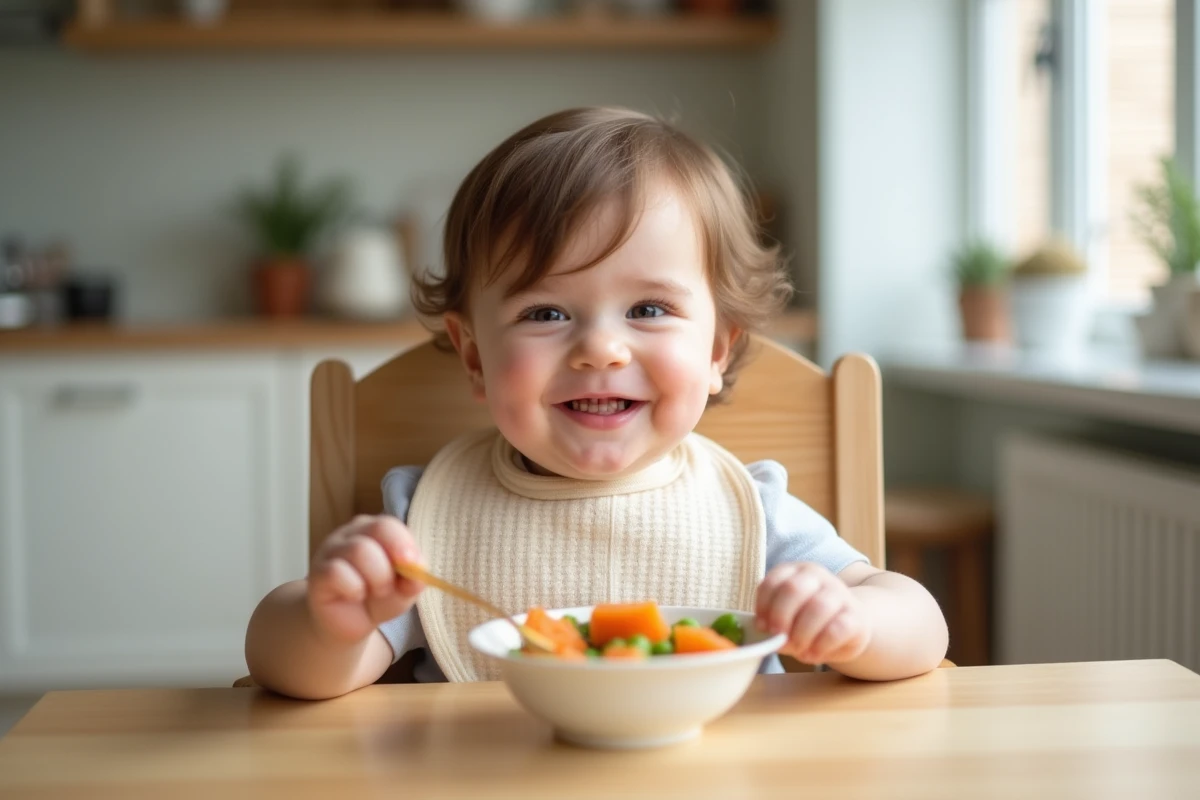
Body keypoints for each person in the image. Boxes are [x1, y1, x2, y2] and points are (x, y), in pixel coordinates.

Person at [245, 107, 948, 698]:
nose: (600, 350)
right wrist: (326, 622)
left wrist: (853, 624)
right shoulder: (424, 520)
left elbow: (920, 623)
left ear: (715, 353)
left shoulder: (752, 510)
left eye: (648, 307)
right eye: (546, 314)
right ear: (475, 358)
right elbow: (291, 667)